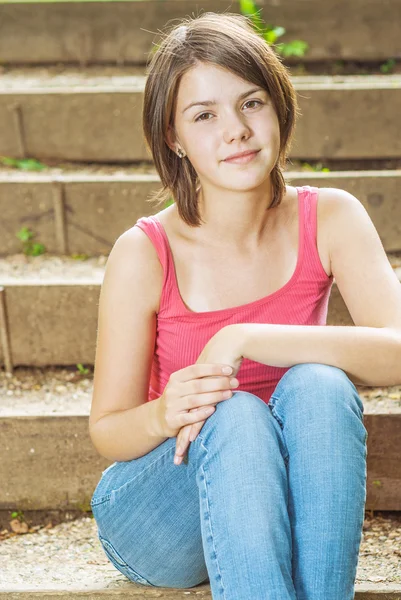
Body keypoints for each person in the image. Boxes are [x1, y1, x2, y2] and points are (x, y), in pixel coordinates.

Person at [89, 11, 371, 599]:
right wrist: (166, 413)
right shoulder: (145, 252)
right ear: (174, 138)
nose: (236, 130)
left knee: (321, 384)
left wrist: (244, 336)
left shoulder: (332, 218)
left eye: (251, 103)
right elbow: (108, 432)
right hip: (162, 504)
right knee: (235, 413)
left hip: (283, 496)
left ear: (278, 107)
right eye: (204, 115)